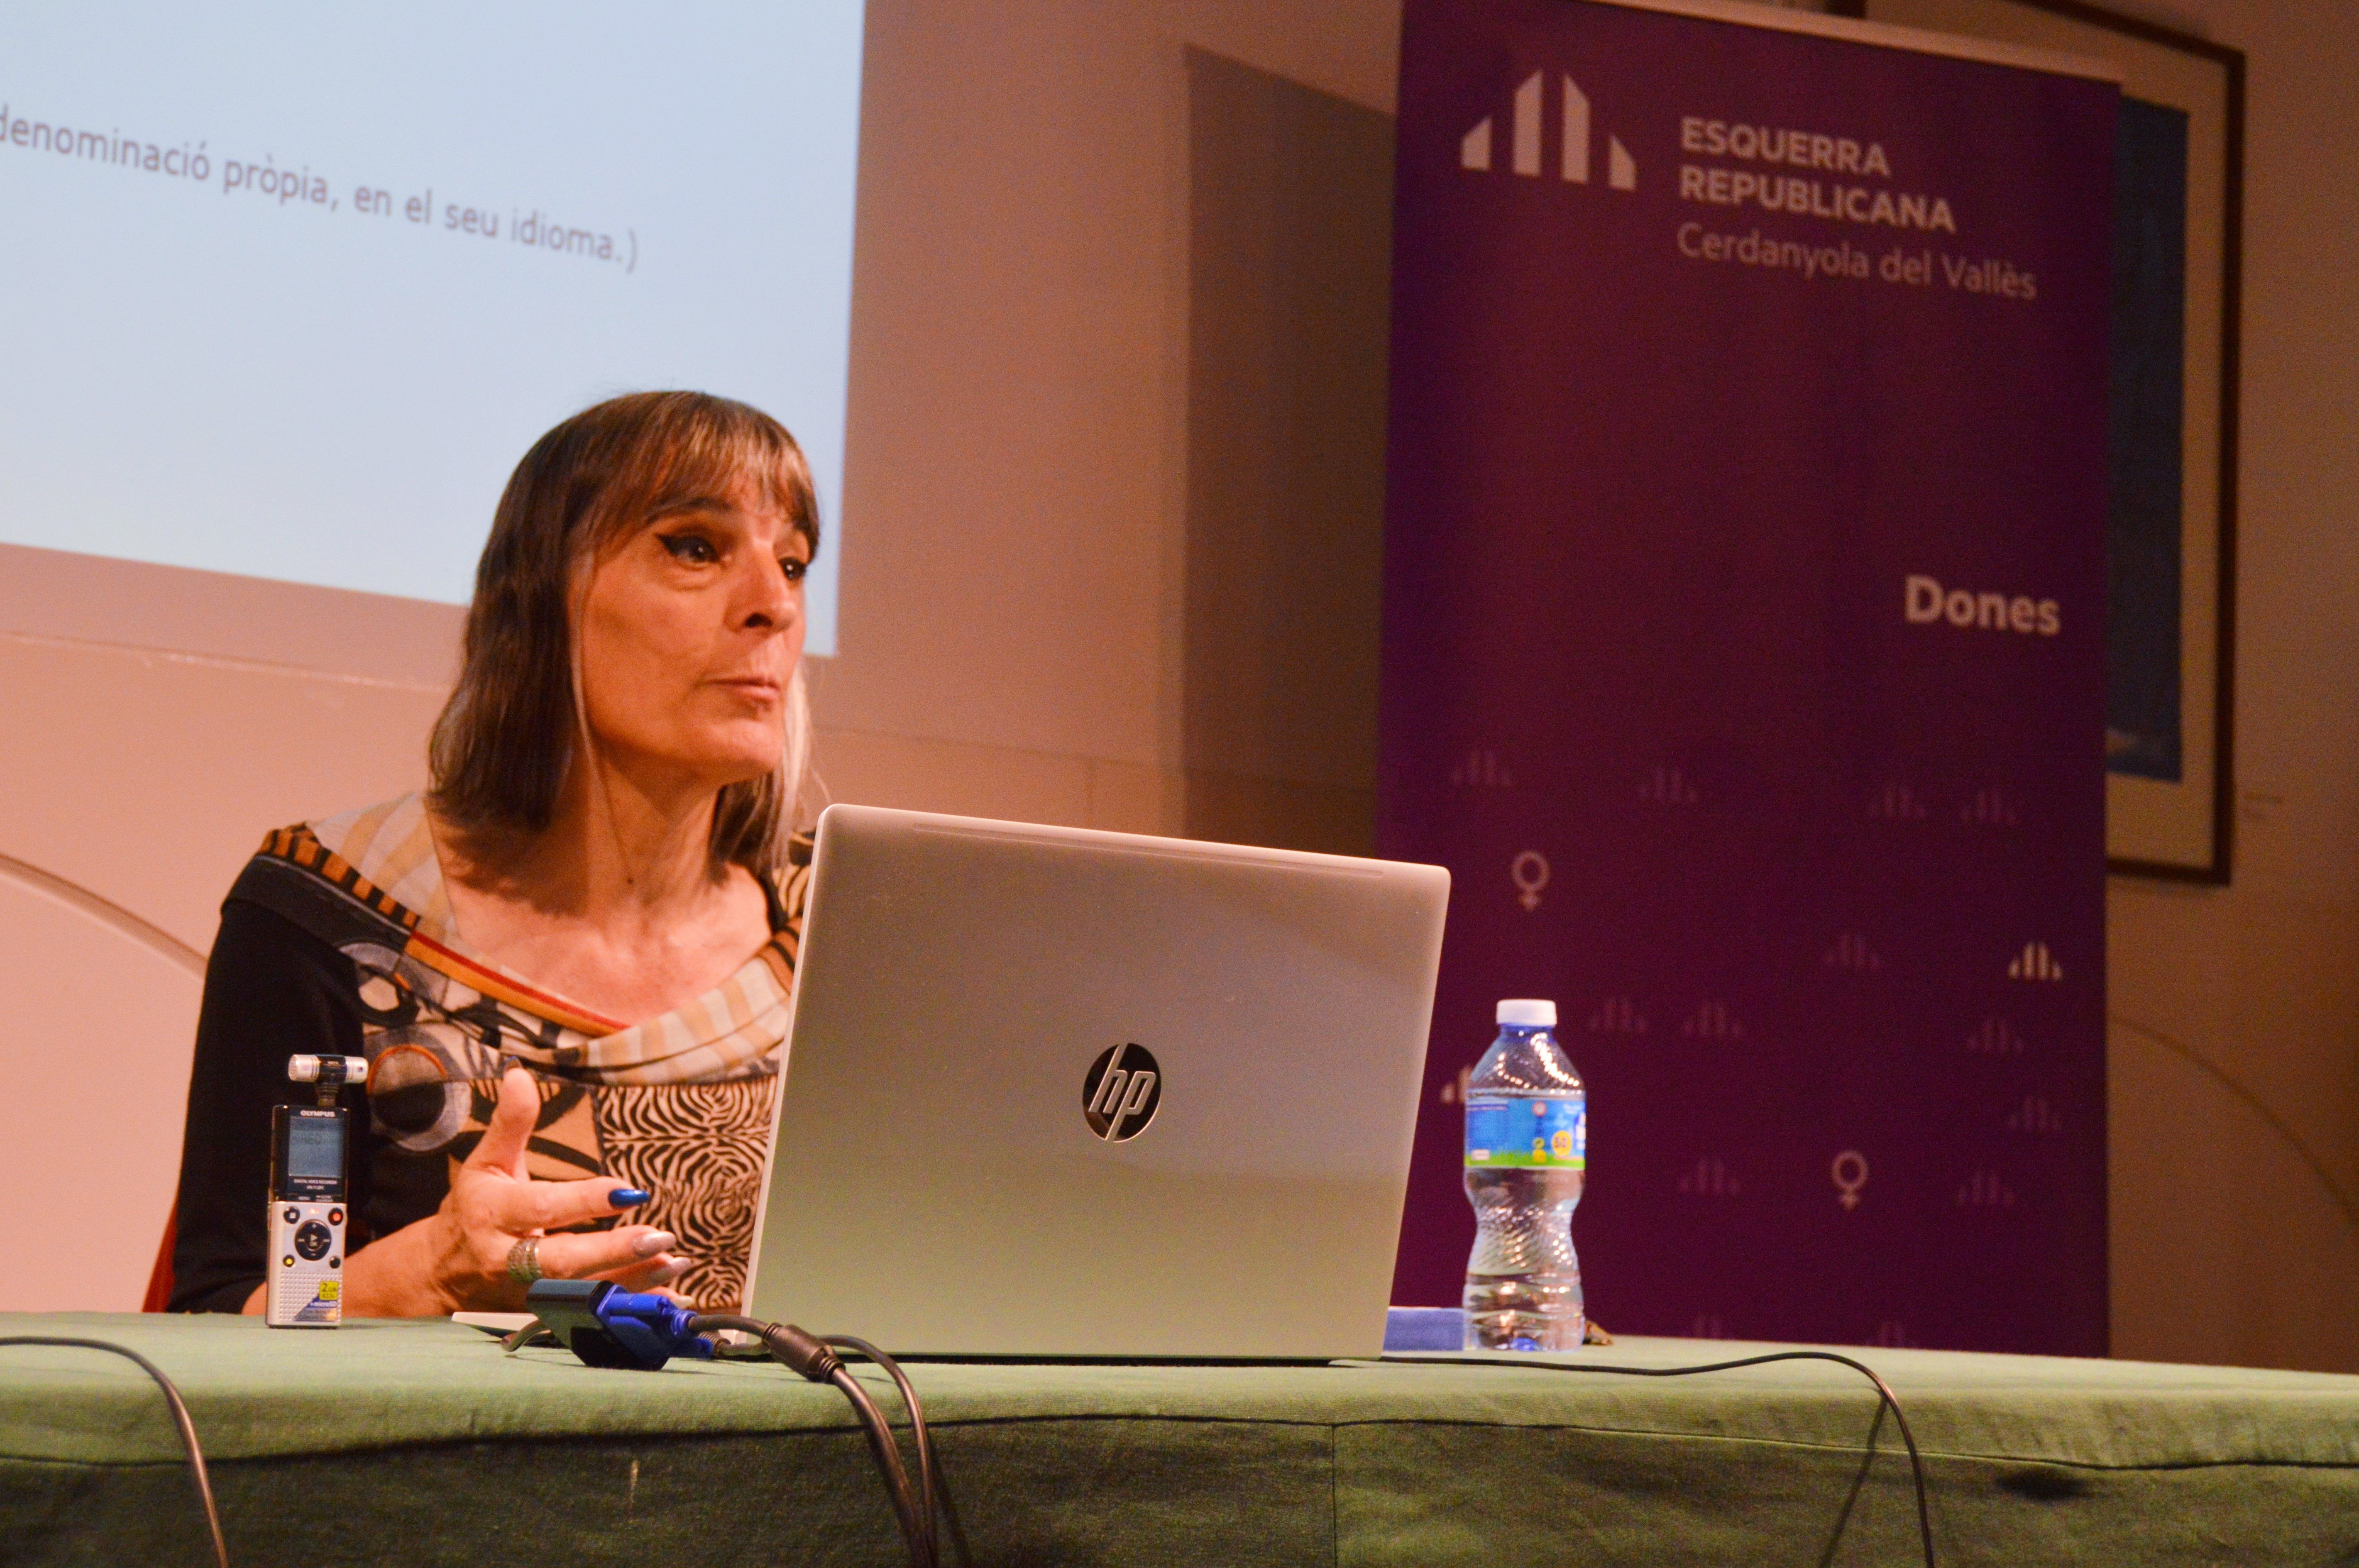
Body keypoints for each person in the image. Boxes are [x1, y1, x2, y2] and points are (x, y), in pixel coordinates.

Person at [166, 391, 819, 1316]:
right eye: (695, 547)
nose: (774, 605)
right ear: (543, 599)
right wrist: (430, 1268)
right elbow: (218, 1318)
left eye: (793, 562)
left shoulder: (835, 927)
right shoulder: (322, 917)